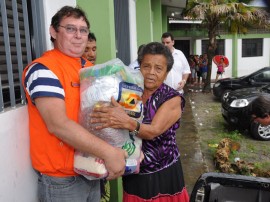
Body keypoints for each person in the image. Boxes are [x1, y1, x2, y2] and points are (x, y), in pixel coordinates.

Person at [22, 6, 127, 202]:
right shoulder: (43, 69)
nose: (78, 36)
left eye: (83, 30)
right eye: (70, 29)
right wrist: (109, 152)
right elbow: (58, 124)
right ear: (53, 32)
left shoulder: (90, 69)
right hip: (63, 181)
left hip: (92, 169)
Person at [91, 42, 190, 201]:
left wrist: (126, 122)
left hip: (162, 173)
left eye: (158, 68)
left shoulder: (172, 98)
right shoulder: (131, 92)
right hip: (133, 170)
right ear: (139, 67)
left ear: (166, 73)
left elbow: (153, 131)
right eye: (146, 66)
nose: (151, 73)